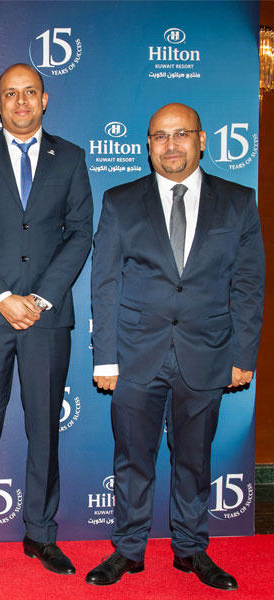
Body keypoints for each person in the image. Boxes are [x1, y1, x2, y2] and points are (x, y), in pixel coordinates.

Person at [87, 103, 264, 591]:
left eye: (181, 134)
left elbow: (250, 285)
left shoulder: (238, 202)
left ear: (201, 140)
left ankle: (190, 549)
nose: (171, 145)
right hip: (134, 355)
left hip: (207, 352)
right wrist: (105, 357)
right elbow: (105, 284)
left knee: (193, 460)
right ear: (147, 145)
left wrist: (243, 356)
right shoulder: (120, 201)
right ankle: (128, 549)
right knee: (132, 459)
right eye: (160, 136)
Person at [0, 63, 92, 579]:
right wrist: (3, 297)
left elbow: (80, 233)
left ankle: (41, 533)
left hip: (47, 318)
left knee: (45, 431)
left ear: (45, 99)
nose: (21, 101)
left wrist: (42, 298)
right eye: (10, 94)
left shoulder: (70, 158)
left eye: (30, 92)